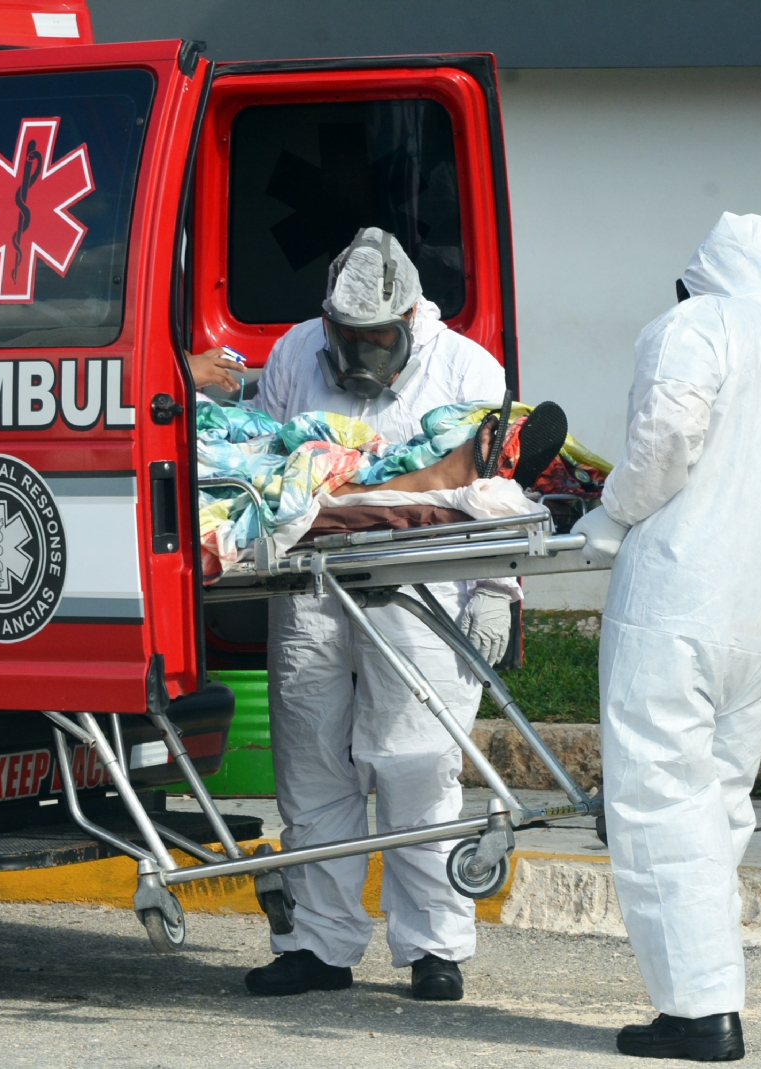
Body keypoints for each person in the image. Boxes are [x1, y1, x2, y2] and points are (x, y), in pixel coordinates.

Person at [574, 212, 761, 1060]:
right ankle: (709, 994)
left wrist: (613, 511)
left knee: (658, 795)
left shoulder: (693, 325)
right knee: (717, 799)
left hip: (682, 599)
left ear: (702, 276)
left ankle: (700, 1012)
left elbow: (665, 442)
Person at [208, 227, 515, 1001]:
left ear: (410, 320)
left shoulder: (467, 368)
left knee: (417, 762)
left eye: (376, 339)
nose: (358, 354)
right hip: (309, 588)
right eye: (347, 338)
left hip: (420, 589)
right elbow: (267, 458)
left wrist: (499, 593)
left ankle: (434, 948)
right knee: (311, 764)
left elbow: (496, 496)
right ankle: (320, 943)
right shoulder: (293, 354)